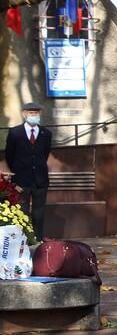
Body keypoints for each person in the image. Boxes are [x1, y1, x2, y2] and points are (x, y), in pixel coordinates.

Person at [4, 101, 52, 240]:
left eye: (36, 113)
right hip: (21, 180)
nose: (34, 115)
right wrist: (17, 171)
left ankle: (38, 239)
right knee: (22, 211)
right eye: (31, 113)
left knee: (39, 213)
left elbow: (45, 154)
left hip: (40, 180)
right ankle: (23, 240)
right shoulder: (15, 133)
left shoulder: (46, 133)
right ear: (24, 114)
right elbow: (9, 155)